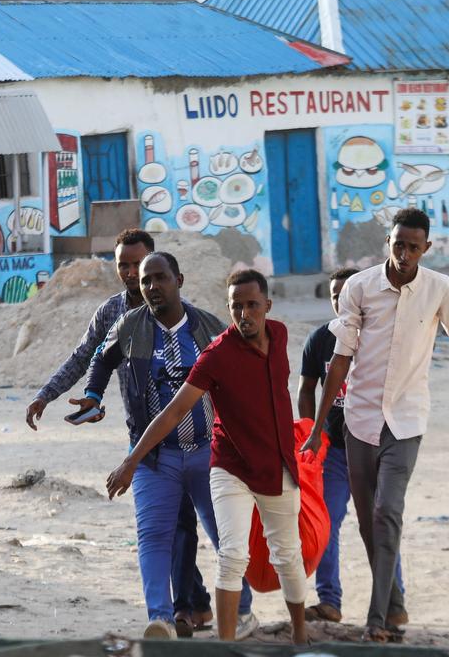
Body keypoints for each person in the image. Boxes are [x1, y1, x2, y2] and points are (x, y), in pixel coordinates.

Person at [301, 207, 449, 643]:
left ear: (425, 248)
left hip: (407, 420)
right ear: (387, 243)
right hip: (359, 420)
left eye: (413, 246)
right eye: (398, 244)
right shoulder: (360, 287)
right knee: (370, 522)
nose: (404, 253)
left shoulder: (439, 289)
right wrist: (317, 427)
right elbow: (340, 359)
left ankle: (377, 618)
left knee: (388, 511)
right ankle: (395, 605)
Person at [26, 232, 233, 636]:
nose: (133, 276)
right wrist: (63, 395)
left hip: (198, 443)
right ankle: (175, 611)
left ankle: (197, 606)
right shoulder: (116, 315)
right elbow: (87, 358)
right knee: (163, 527)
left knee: (191, 527)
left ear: (173, 276)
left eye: (141, 268)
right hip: (147, 438)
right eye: (126, 268)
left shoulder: (201, 324)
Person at [107, 269, 309, 645]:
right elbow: (172, 411)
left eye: (252, 305)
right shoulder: (216, 355)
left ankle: (300, 635)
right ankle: (225, 644)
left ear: (268, 305)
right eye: (236, 306)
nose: (245, 314)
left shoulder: (279, 335)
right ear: (228, 308)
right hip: (229, 467)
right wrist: (132, 460)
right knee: (232, 555)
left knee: (288, 557)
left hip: (276, 465)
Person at [78, 253, 255, 640]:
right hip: (154, 457)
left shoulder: (209, 327)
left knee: (226, 534)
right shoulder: (129, 325)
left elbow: (243, 379)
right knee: (153, 536)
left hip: (210, 453)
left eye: (160, 278)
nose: (152, 287)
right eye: (146, 281)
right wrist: (92, 394)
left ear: (180, 279)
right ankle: (160, 618)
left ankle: (242, 612)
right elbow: (101, 360)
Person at [297, 267, 403, 624]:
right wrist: (313, 433)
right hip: (336, 453)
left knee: (379, 523)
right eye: (334, 295)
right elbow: (305, 389)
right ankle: (329, 601)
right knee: (325, 522)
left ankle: (392, 603)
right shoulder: (319, 339)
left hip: (375, 447)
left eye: (347, 293)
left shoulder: (382, 337)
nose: (340, 301)